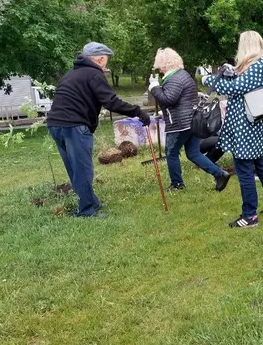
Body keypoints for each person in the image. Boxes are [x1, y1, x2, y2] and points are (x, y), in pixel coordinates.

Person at [47, 42, 150, 217]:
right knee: (83, 169)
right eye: (106, 60)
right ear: (100, 59)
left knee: (74, 168)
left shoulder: (71, 74)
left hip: (55, 124)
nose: (106, 65)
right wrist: (137, 111)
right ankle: (87, 211)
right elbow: (111, 102)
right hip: (74, 126)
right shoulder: (94, 74)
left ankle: (90, 202)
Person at [203, 31, 263, 228]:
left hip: (246, 126)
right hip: (255, 124)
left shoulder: (258, 64)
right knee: (262, 163)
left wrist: (210, 80)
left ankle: (250, 216)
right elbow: (240, 84)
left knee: (244, 168)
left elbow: (237, 87)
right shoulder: (259, 64)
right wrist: (231, 73)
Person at [148, 48, 231, 192]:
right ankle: (220, 174)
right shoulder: (183, 75)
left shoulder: (174, 78)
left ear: (164, 63)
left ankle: (177, 185)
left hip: (180, 124)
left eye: (159, 64)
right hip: (192, 121)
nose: (159, 68)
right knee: (193, 153)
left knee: (171, 153)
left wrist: (154, 87)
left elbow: (168, 99)